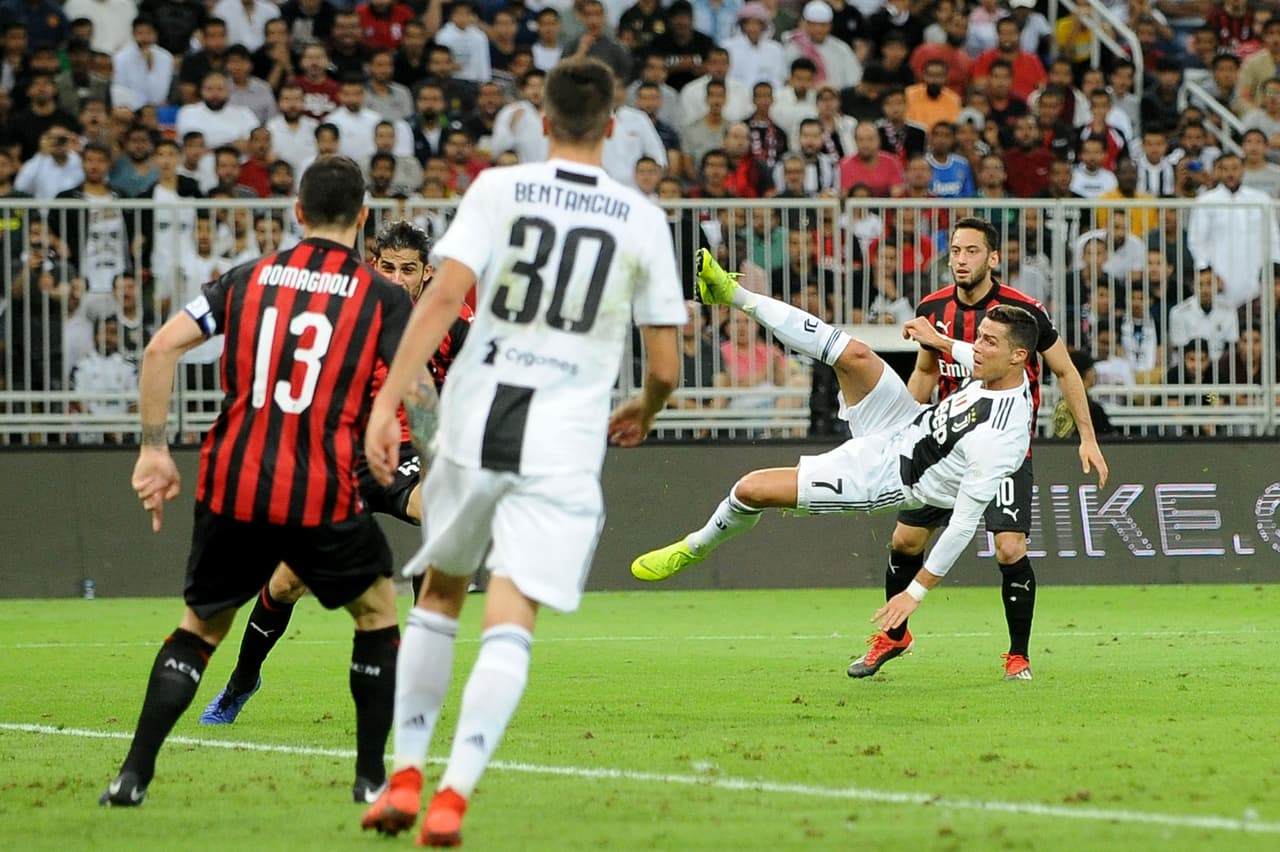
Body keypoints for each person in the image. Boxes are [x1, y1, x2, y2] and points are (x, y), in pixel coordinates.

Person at [359, 58, 683, 848]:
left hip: (475, 421)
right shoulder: (641, 218)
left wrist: (385, 401)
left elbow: (438, 297)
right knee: (511, 615)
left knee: (440, 594)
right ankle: (453, 796)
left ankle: (404, 771)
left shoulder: (498, 190)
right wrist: (643, 405)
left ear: (542, 120)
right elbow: (667, 366)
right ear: (612, 127)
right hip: (562, 440)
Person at [98, 157, 414, 808]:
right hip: (323, 491)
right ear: (362, 219)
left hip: (233, 484)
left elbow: (159, 349)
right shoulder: (377, 296)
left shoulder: (246, 279)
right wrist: (402, 432)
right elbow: (423, 393)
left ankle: (132, 777)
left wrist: (154, 451)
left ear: (296, 212)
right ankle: (369, 778)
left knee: (198, 628)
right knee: (378, 616)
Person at [632, 247, 1039, 634]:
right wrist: (939, 340)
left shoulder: (1001, 438)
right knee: (853, 352)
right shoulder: (1000, 366)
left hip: (891, 475)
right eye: (980, 337)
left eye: (988, 342)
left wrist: (915, 593)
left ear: (1018, 356)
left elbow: (964, 524)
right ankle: (731, 293)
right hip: (906, 422)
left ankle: (697, 545)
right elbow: (965, 352)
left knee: (751, 488)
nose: (977, 348)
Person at [196, 223, 474, 786]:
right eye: (387, 267)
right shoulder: (346, 306)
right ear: (374, 263)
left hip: (402, 456)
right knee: (283, 586)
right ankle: (240, 683)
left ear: (426, 275)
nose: (396, 279)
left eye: (407, 270)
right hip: (337, 461)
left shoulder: (453, 321)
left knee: (441, 515)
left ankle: (416, 671)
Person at [855, 217, 1108, 684]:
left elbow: (1066, 372)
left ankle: (1018, 655)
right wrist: (897, 430)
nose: (960, 260)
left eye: (971, 251)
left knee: (1009, 546)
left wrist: (1086, 436)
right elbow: (927, 374)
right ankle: (894, 637)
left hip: (1002, 446)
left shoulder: (1022, 312)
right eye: (954, 251)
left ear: (993, 258)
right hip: (946, 448)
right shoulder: (933, 306)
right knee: (904, 541)